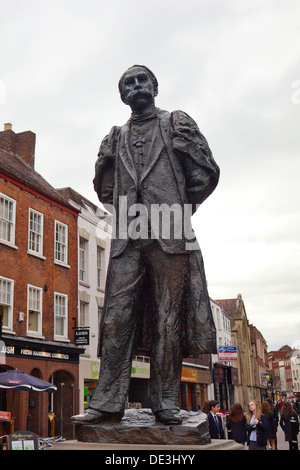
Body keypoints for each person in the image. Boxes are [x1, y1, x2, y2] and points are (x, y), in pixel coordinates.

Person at [71, 65, 219, 426]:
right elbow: (104, 188)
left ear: (154, 86)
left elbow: (205, 173)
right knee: (116, 317)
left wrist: (179, 206)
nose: (136, 86)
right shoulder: (116, 135)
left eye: (142, 80)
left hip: (170, 231)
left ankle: (165, 401)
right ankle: (107, 402)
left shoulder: (175, 123)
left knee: (168, 318)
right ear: (122, 95)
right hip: (128, 234)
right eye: (128, 83)